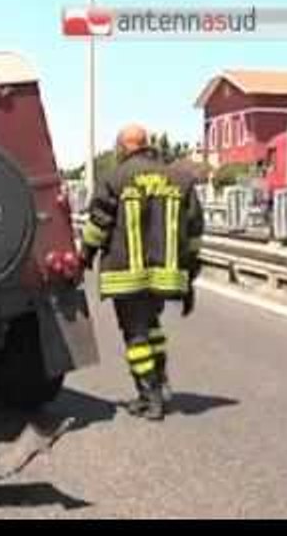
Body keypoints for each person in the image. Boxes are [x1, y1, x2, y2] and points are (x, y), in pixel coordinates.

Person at [79, 124, 204, 421]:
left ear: (122, 147)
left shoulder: (115, 178)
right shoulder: (180, 179)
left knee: (135, 335)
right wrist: (190, 274)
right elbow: (194, 232)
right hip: (165, 273)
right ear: (147, 144)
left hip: (126, 275)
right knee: (152, 326)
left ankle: (150, 397)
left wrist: (84, 256)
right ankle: (160, 381)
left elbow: (98, 225)